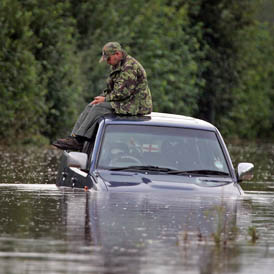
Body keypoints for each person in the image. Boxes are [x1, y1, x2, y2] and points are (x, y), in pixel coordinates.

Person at [53, 42, 152, 151]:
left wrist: (105, 99)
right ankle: (74, 138)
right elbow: (111, 89)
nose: (108, 62)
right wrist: (100, 97)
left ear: (118, 54)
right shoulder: (117, 65)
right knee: (92, 105)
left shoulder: (129, 67)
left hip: (135, 105)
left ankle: (80, 141)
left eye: (108, 59)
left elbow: (123, 92)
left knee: (99, 108)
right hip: (125, 101)